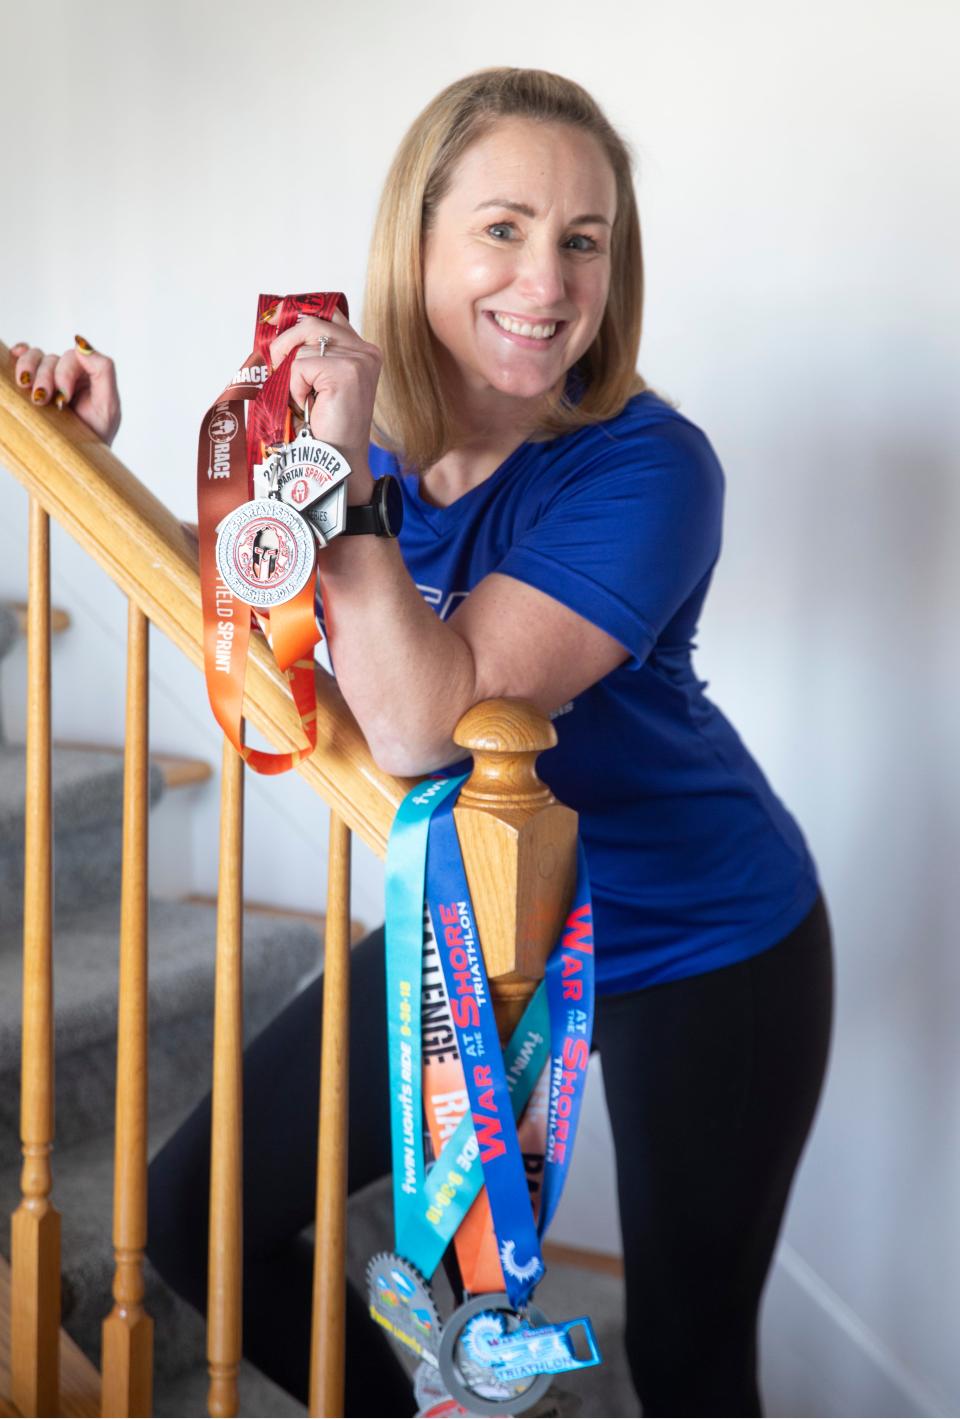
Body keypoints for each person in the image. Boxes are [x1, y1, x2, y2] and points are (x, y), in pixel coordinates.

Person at [13, 67, 833, 1419]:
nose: (548, 280)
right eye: (504, 229)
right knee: (198, 1209)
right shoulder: (360, 433)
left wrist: (347, 492)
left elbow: (413, 720)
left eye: (583, 240)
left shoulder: (650, 466)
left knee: (688, 1358)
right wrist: (93, 464)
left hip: (701, 932)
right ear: (420, 244)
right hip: (478, 912)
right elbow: (254, 627)